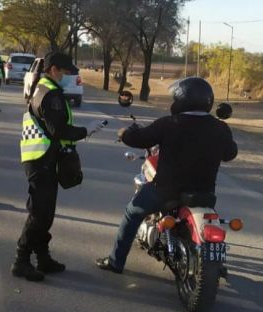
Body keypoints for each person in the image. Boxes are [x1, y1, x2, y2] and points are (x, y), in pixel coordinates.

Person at [96, 77, 238, 273]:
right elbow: (230, 154)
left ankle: (115, 262)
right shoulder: (221, 128)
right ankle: (214, 263)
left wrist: (124, 134)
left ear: (182, 99)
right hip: (204, 192)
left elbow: (140, 138)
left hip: (166, 191)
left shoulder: (169, 123)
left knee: (132, 212)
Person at [13, 51, 106, 282]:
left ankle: (43, 257)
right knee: (39, 213)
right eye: (64, 71)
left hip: (41, 157)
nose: (67, 75)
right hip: (41, 158)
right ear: (54, 69)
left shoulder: (41, 87)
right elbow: (59, 130)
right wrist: (87, 130)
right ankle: (21, 261)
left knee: (45, 213)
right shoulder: (50, 94)